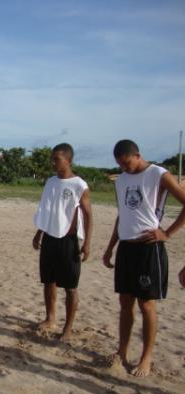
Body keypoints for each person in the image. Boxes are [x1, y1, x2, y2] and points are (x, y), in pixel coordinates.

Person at [103, 139, 185, 377]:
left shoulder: (159, 174)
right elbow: (123, 215)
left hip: (149, 248)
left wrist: (166, 233)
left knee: (146, 304)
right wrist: (110, 247)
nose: (125, 168)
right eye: (120, 165)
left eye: (127, 163)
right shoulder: (122, 180)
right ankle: (122, 352)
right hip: (126, 248)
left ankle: (146, 358)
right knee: (125, 303)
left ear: (138, 155)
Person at [32, 143, 93, 341]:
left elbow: (88, 215)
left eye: (57, 159)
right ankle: (50, 318)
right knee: (48, 281)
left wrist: (87, 243)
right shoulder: (50, 182)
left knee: (70, 287)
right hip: (50, 236)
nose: (53, 162)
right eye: (52, 158)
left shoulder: (79, 185)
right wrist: (38, 233)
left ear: (69, 160)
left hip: (69, 239)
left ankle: (68, 328)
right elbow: (47, 210)